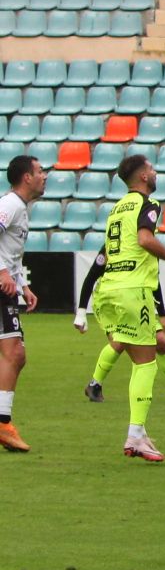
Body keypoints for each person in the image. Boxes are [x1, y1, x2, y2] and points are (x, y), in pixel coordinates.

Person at [95, 155, 165, 463]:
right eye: (150, 169)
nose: (154, 172)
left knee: (136, 353)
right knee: (146, 363)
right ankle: (135, 435)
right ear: (142, 177)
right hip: (132, 291)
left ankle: (138, 432)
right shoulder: (147, 204)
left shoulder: (116, 209)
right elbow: (145, 239)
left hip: (109, 289)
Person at [77, 243, 165, 405]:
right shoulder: (112, 245)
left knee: (163, 343)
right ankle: (94, 384)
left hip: (137, 298)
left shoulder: (150, 248)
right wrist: (81, 312)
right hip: (108, 299)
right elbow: (91, 276)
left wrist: (162, 315)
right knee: (120, 342)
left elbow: (153, 280)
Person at [0, 153, 47, 453]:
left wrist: (24, 285)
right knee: (15, 353)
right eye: (41, 171)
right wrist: (2, 272)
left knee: (15, 354)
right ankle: (3, 424)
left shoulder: (21, 209)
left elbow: (11, 252)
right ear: (26, 177)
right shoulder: (10, 205)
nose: (44, 176)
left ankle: (3, 422)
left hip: (7, 288)